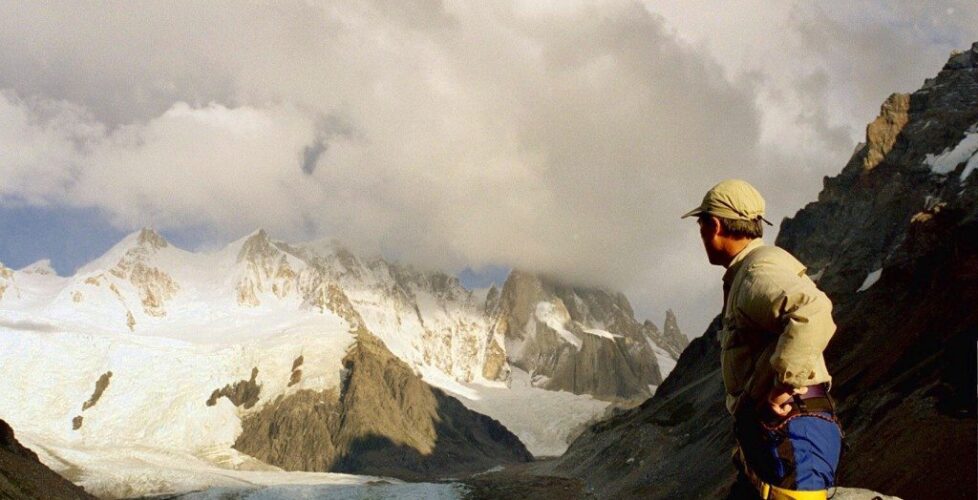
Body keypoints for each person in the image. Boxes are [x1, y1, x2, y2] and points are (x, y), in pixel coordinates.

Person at [682, 179, 842, 500]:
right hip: (778, 435)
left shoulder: (758, 271)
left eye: (701, 225)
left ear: (714, 226)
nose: (700, 235)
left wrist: (785, 383)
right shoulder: (749, 271)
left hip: (793, 430)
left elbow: (813, 309)